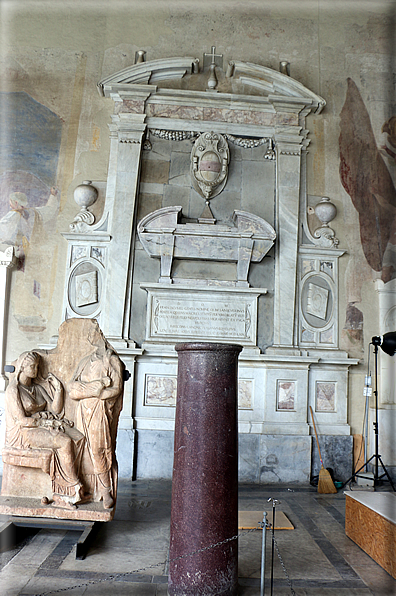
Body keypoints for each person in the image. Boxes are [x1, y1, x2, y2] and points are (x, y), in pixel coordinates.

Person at [4, 351, 84, 508]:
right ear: (22, 367)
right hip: (24, 433)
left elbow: (55, 410)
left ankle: (73, 486)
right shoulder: (14, 390)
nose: (35, 369)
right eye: (32, 366)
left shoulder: (37, 388)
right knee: (64, 442)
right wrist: (47, 423)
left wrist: (59, 389)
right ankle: (71, 488)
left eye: (37, 366)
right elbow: (22, 421)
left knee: (78, 437)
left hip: (40, 425)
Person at [68, 336, 124, 509]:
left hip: (99, 409)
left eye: (93, 334)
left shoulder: (111, 360)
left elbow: (116, 388)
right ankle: (84, 488)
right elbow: (72, 386)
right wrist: (94, 387)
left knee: (99, 449)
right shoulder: (85, 361)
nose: (90, 337)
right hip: (82, 409)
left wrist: (95, 393)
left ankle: (106, 490)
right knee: (82, 449)